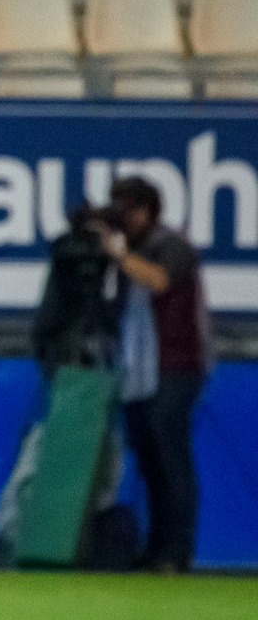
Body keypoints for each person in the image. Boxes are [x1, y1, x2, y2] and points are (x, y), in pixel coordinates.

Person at [101, 177, 211, 574]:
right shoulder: (135, 249)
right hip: (140, 369)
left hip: (176, 365)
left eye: (127, 209)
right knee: (149, 460)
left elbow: (159, 280)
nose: (122, 219)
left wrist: (118, 254)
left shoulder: (171, 245)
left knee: (172, 457)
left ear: (146, 209)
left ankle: (178, 551)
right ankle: (157, 546)